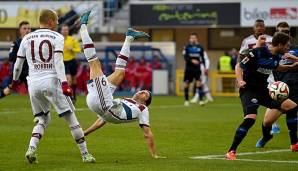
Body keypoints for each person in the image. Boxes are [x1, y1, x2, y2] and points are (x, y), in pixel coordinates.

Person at [11, 9, 95, 164]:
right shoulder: (57, 37)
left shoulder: (27, 38)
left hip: (33, 84)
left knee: (42, 119)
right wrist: (64, 84)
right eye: (56, 20)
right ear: (49, 21)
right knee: (72, 119)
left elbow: (17, 65)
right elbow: (58, 62)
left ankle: (31, 148)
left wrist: (14, 82)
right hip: (51, 81)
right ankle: (85, 154)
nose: (58, 23)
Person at [79, 11, 164, 159]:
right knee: (120, 73)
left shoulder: (142, 109)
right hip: (102, 103)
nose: (142, 92)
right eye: (143, 91)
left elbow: (147, 133)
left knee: (94, 61)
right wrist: (84, 133)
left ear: (146, 101)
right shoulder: (127, 100)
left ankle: (83, 27)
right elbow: (102, 120)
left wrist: (154, 154)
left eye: (145, 94)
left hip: (102, 103)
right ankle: (129, 37)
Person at [225, 32, 298, 160]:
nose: (288, 47)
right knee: (250, 119)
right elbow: (238, 66)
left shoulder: (278, 54)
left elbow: (278, 67)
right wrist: (240, 80)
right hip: (249, 90)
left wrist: (292, 65)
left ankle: (294, 143)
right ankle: (231, 151)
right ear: (280, 44)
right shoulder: (256, 53)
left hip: (264, 91)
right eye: (287, 45)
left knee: (292, 107)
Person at [255, 22, 298, 151]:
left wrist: (295, 58)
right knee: (267, 122)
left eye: (287, 31)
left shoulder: (295, 49)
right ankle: (266, 137)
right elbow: (256, 58)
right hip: (280, 91)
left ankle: (294, 143)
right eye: (281, 31)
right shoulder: (272, 51)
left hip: (296, 88)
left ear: (290, 34)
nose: (285, 33)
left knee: (292, 109)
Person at [239, 19, 280, 134]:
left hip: (268, 70)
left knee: (274, 94)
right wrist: (240, 74)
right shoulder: (247, 41)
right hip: (252, 70)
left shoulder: (271, 39)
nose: (260, 28)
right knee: (256, 100)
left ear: (265, 27)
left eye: (262, 26)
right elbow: (241, 56)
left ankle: (273, 122)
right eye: (257, 26)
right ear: (253, 28)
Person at [183, 33, 205, 106]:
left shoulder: (200, 47)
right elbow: (185, 57)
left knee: (199, 83)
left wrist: (204, 67)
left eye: (194, 38)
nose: (193, 39)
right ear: (189, 39)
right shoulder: (187, 47)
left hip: (197, 68)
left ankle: (201, 100)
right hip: (189, 68)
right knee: (187, 84)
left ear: (196, 39)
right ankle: (186, 100)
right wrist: (192, 60)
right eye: (192, 38)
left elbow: (202, 58)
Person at [60, 24, 81, 103]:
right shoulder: (59, 40)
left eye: (66, 30)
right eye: (63, 30)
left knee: (74, 80)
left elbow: (79, 49)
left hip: (72, 61)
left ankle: (74, 96)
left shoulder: (72, 40)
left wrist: (72, 49)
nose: (65, 31)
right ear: (61, 31)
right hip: (63, 62)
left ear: (68, 31)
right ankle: (69, 97)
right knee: (68, 79)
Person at [9, 21, 31, 87]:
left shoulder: (33, 42)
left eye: (29, 28)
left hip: (29, 71)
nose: (27, 30)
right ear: (20, 30)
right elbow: (11, 57)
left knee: (32, 91)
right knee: (9, 89)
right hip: (18, 70)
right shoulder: (16, 43)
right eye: (24, 28)